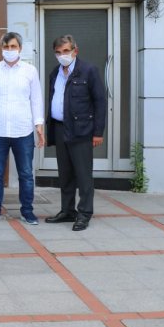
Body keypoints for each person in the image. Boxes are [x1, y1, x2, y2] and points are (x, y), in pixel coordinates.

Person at [0, 32, 45, 225]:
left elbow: (36, 99)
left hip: (22, 130)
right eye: (6, 47)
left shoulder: (30, 71)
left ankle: (27, 211)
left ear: (20, 48)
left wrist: (39, 124)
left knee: (26, 174)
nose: (9, 50)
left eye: (13, 47)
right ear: (2, 48)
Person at [45, 35, 106, 231]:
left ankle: (84, 213)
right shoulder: (54, 73)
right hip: (60, 128)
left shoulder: (88, 70)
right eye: (58, 52)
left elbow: (100, 102)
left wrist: (98, 132)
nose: (62, 55)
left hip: (81, 130)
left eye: (66, 51)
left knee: (83, 174)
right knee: (65, 174)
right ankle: (67, 210)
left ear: (75, 51)